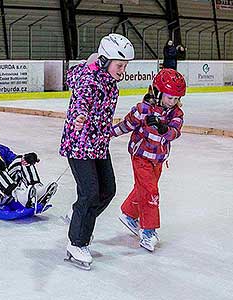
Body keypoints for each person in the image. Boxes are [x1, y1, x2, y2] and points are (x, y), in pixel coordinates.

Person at [59, 33, 135, 269]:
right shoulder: (89, 79)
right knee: (90, 192)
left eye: (125, 66)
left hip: (99, 143)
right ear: (105, 60)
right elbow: (82, 97)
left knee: (108, 189)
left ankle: (79, 218)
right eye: (119, 65)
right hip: (79, 143)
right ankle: (77, 242)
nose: (122, 70)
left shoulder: (109, 80)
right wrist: (80, 115)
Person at [109, 68, 186, 252]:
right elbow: (126, 125)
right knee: (151, 191)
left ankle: (128, 213)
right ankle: (148, 232)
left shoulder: (176, 113)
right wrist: (108, 134)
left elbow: (175, 132)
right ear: (158, 92)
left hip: (158, 158)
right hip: (141, 156)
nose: (173, 102)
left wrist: (162, 129)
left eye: (176, 99)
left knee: (143, 188)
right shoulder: (143, 110)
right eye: (169, 97)